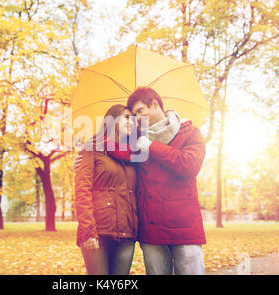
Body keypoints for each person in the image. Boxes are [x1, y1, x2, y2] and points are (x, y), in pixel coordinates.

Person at [128, 87, 206, 275]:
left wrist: (152, 147)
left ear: (155, 104)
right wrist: (89, 161)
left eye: (140, 111)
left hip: (184, 226)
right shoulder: (136, 140)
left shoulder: (190, 133)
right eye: (134, 114)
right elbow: (118, 164)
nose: (137, 118)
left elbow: (189, 165)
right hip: (151, 228)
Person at [74, 104, 138, 275]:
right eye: (126, 117)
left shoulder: (134, 156)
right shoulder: (92, 148)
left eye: (133, 119)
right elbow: (82, 191)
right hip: (98, 233)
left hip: (127, 234)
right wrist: (88, 231)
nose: (131, 122)